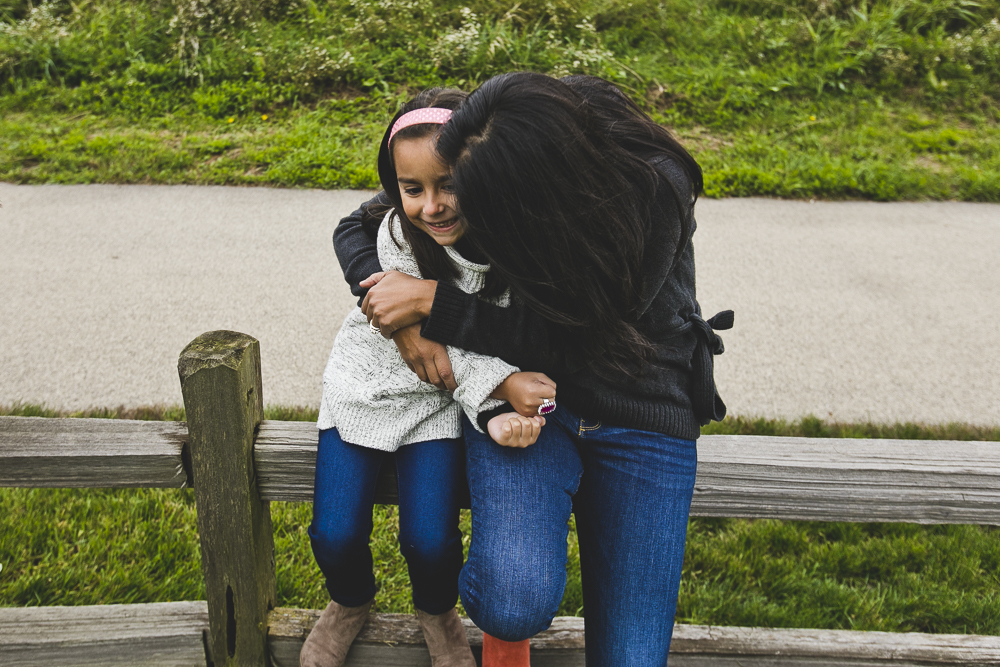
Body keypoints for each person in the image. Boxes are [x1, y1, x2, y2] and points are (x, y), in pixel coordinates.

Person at [336, 72, 732, 666]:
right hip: (525, 397)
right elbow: (363, 223)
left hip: (643, 408)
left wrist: (431, 303)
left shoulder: (653, 190)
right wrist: (403, 320)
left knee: (632, 659)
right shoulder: (499, 132)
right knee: (510, 601)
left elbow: (586, 338)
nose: (449, 206)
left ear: (544, 186)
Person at [301, 87, 557, 667]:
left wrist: (490, 403)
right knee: (333, 533)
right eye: (412, 189)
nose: (432, 206)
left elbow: (462, 351)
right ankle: (348, 602)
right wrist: (501, 390)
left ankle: (437, 612)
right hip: (365, 387)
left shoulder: (507, 253)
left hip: (437, 405)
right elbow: (426, 349)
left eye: (449, 185)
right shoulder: (396, 235)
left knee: (430, 539)